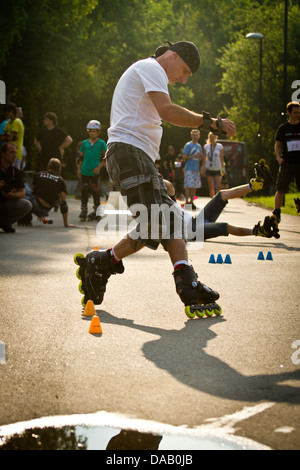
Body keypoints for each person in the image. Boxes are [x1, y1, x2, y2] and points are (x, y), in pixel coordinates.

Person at [75, 40, 236, 314]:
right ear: (172, 56)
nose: (183, 80)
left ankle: (104, 261)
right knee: (163, 218)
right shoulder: (151, 67)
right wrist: (212, 123)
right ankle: (185, 281)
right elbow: (168, 112)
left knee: (164, 218)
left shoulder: (150, 73)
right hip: (129, 154)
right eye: (184, 70)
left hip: (137, 157)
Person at [163, 164, 280, 241]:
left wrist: (155, 177)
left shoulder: (167, 199)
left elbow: (170, 187)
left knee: (221, 195)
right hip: (193, 231)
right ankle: (259, 231)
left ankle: (255, 185)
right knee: (225, 227)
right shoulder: (153, 210)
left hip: (197, 219)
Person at [18, 158, 72, 227]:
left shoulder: (38, 174)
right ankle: (28, 217)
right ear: (59, 169)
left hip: (35, 204)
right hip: (46, 210)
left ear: (48, 166)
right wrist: (66, 223)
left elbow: (33, 192)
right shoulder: (61, 180)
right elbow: (63, 202)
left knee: (23, 189)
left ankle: (25, 219)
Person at [273, 101, 300, 222]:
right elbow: (277, 145)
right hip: (287, 162)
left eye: (299, 113)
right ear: (289, 112)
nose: (297, 115)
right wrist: (279, 158)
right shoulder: (284, 128)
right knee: (281, 188)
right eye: (295, 113)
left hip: (299, 162)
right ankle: (277, 212)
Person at [77, 120, 107, 221]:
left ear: (98, 132)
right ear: (88, 132)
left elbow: (106, 157)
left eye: (95, 131)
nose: (92, 133)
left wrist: (99, 167)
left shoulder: (101, 143)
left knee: (95, 191)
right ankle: (84, 210)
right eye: (91, 131)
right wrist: (78, 169)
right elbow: (80, 158)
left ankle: (97, 211)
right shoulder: (84, 143)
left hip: (95, 171)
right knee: (84, 191)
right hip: (85, 170)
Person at [0, 142, 32, 232]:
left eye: (15, 153)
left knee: (27, 204)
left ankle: (4, 223)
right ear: (3, 153)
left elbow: (22, 193)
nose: (15, 155)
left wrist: (10, 194)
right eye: (11, 152)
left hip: (6, 202)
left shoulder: (15, 172)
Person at [0, 103, 25, 170]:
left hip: (15, 155)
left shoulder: (17, 122)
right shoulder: (8, 123)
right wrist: (8, 137)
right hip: (7, 155)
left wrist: (7, 137)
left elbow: (9, 138)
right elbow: (2, 138)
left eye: (9, 111)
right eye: (6, 111)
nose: (6, 113)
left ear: (13, 111)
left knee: (14, 175)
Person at [183, 128, 202, 209]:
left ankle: (192, 202)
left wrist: (200, 157)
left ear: (199, 136)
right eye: (194, 135)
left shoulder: (199, 146)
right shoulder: (188, 145)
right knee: (188, 186)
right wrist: (193, 156)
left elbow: (200, 158)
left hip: (196, 169)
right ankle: (187, 202)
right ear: (191, 136)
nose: (195, 137)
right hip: (189, 168)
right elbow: (184, 157)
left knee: (194, 187)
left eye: (196, 135)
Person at [203, 132, 225, 198]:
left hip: (217, 168)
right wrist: (203, 168)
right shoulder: (206, 146)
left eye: (213, 136)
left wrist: (223, 168)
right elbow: (204, 158)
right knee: (211, 186)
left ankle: (218, 199)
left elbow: (221, 157)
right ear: (209, 137)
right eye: (211, 136)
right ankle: (212, 200)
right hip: (209, 168)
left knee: (218, 185)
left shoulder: (220, 146)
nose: (212, 138)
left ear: (216, 137)